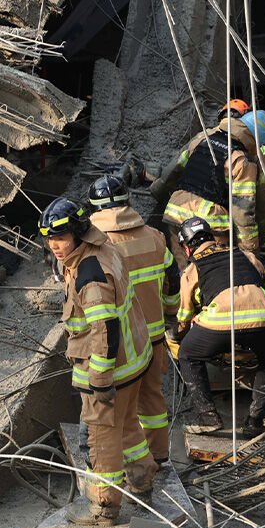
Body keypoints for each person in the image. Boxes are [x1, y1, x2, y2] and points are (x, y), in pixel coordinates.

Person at [40, 198, 157, 526]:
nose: (54, 246)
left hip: (110, 371)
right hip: (132, 364)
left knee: (101, 439)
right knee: (128, 427)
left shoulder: (89, 274)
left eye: (60, 238)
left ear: (78, 234)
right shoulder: (103, 250)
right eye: (49, 239)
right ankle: (142, 484)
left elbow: (104, 329)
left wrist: (100, 379)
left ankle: (103, 508)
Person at [88, 175, 180, 465]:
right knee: (152, 397)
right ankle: (159, 454)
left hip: (119, 342)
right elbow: (172, 283)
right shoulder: (154, 236)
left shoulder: (96, 246)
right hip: (154, 337)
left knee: (118, 410)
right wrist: (169, 314)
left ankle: (126, 465)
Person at [169, 217, 265, 439]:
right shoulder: (247, 256)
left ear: (186, 247)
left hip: (221, 323)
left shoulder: (192, 269)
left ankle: (208, 417)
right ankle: (256, 422)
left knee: (188, 355)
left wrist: (178, 337)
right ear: (211, 237)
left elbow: (184, 316)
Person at [155, 99, 265, 266]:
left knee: (185, 271)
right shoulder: (242, 160)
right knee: (214, 272)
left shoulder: (202, 138)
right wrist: (250, 253)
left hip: (175, 214)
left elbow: (175, 169)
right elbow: (242, 211)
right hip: (210, 225)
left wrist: (157, 190)